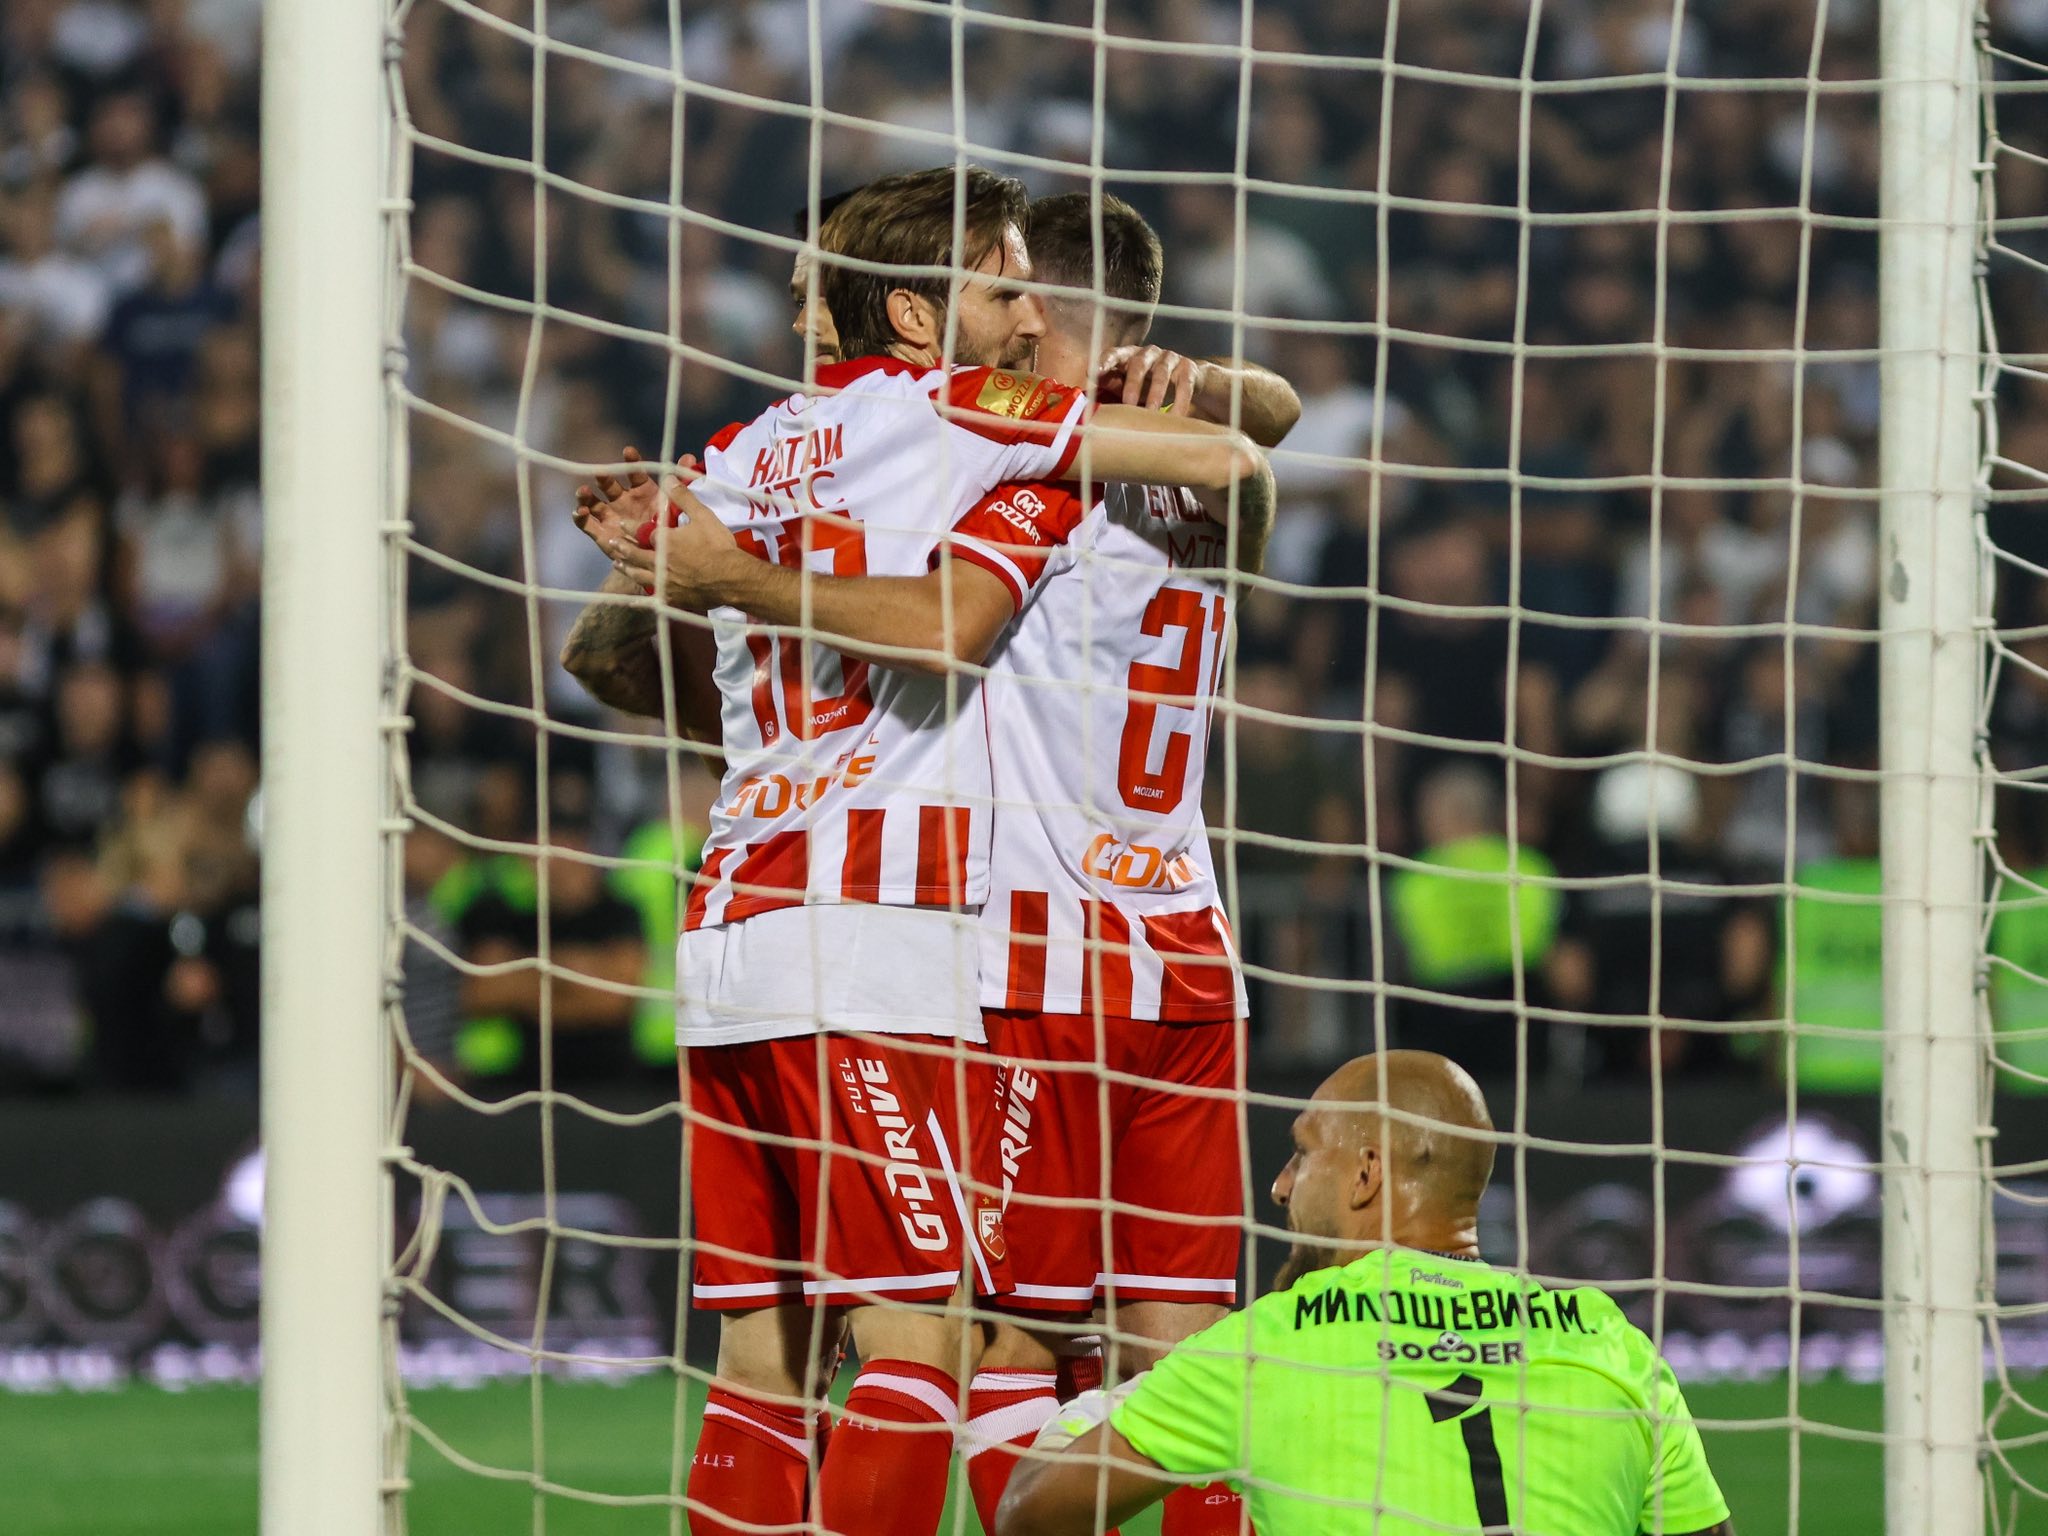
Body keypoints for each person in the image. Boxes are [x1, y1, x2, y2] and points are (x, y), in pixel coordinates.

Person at [564, 165, 1268, 1536]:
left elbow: (601, 653)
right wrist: (1224, 397)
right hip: (998, 933)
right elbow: (1238, 459)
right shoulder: (990, 434)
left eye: (1024, 295)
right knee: (1016, 1351)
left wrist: (732, 628)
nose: (1014, 321)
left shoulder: (738, 451)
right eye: (996, 292)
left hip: (763, 917)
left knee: (789, 1355)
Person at [954, 190, 1298, 1536]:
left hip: (1043, 957)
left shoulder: (1009, 445)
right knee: (1184, 1354)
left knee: (1012, 1338)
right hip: (1188, 949)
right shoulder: (1207, 461)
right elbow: (1272, 410)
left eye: (995, 288)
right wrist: (1206, 381)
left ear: (1033, 301)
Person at [998, 1050, 1735, 1536]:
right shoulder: (1609, 1340)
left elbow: (1028, 1512)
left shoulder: (1275, 1343)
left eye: (1302, 1152)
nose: (1280, 1185)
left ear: (1366, 1173)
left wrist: (1108, 1402)